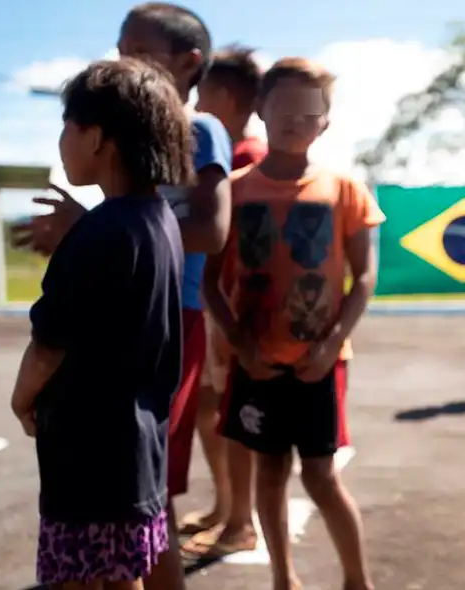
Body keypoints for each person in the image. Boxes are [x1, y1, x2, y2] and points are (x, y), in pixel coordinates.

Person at [11, 4, 233, 589]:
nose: (61, 141)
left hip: (87, 451)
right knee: (120, 567)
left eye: (67, 127)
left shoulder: (105, 230)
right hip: (131, 442)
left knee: (86, 575)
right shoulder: (155, 218)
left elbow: (50, 339)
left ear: (101, 139)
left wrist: (22, 395)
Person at [204, 57, 382, 590]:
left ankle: (358, 580)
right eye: (283, 108)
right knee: (270, 473)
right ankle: (284, 579)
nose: (295, 121)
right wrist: (242, 346)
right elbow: (210, 282)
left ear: (324, 123)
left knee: (323, 477)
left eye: (309, 114)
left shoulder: (345, 189)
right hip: (255, 363)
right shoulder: (232, 191)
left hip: (320, 364)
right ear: (261, 108)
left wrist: (332, 344)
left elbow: (364, 278)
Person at [178, 45, 268, 556]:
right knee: (213, 410)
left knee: (230, 414)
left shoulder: (242, 160)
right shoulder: (232, 154)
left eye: (203, 88)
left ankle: (240, 521)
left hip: (229, 310)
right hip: (215, 307)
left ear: (223, 95)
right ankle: (227, 506)